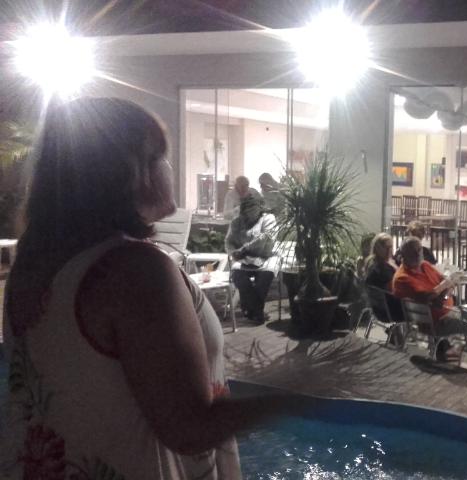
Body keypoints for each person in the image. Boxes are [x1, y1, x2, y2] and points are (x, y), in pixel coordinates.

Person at [0, 98, 305, 479]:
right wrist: (290, 392)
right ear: (128, 171)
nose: (169, 168)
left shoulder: (32, 266)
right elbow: (189, 428)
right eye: (160, 156)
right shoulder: (135, 271)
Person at [392, 237, 467, 360]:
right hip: (434, 323)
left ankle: (447, 348)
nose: (418, 253)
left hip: (446, 313)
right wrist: (444, 286)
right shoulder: (402, 278)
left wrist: (443, 295)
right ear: (404, 254)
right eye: (413, 251)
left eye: (419, 249)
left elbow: (446, 283)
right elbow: (427, 296)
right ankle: (453, 349)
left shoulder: (425, 265)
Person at [225, 194, 276, 323]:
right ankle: (257, 311)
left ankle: (250, 310)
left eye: (252, 206)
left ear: (260, 206)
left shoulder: (268, 218)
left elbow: (265, 238)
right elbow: (229, 241)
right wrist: (233, 252)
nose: (249, 210)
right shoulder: (237, 222)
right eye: (246, 207)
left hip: (265, 257)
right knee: (237, 275)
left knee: (265, 275)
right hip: (245, 259)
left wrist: (244, 248)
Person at [365, 233, 403, 322]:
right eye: (386, 247)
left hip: (379, 310)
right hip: (393, 311)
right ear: (378, 248)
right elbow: (395, 287)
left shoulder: (374, 262)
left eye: (391, 247)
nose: (389, 250)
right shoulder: (380, 268)